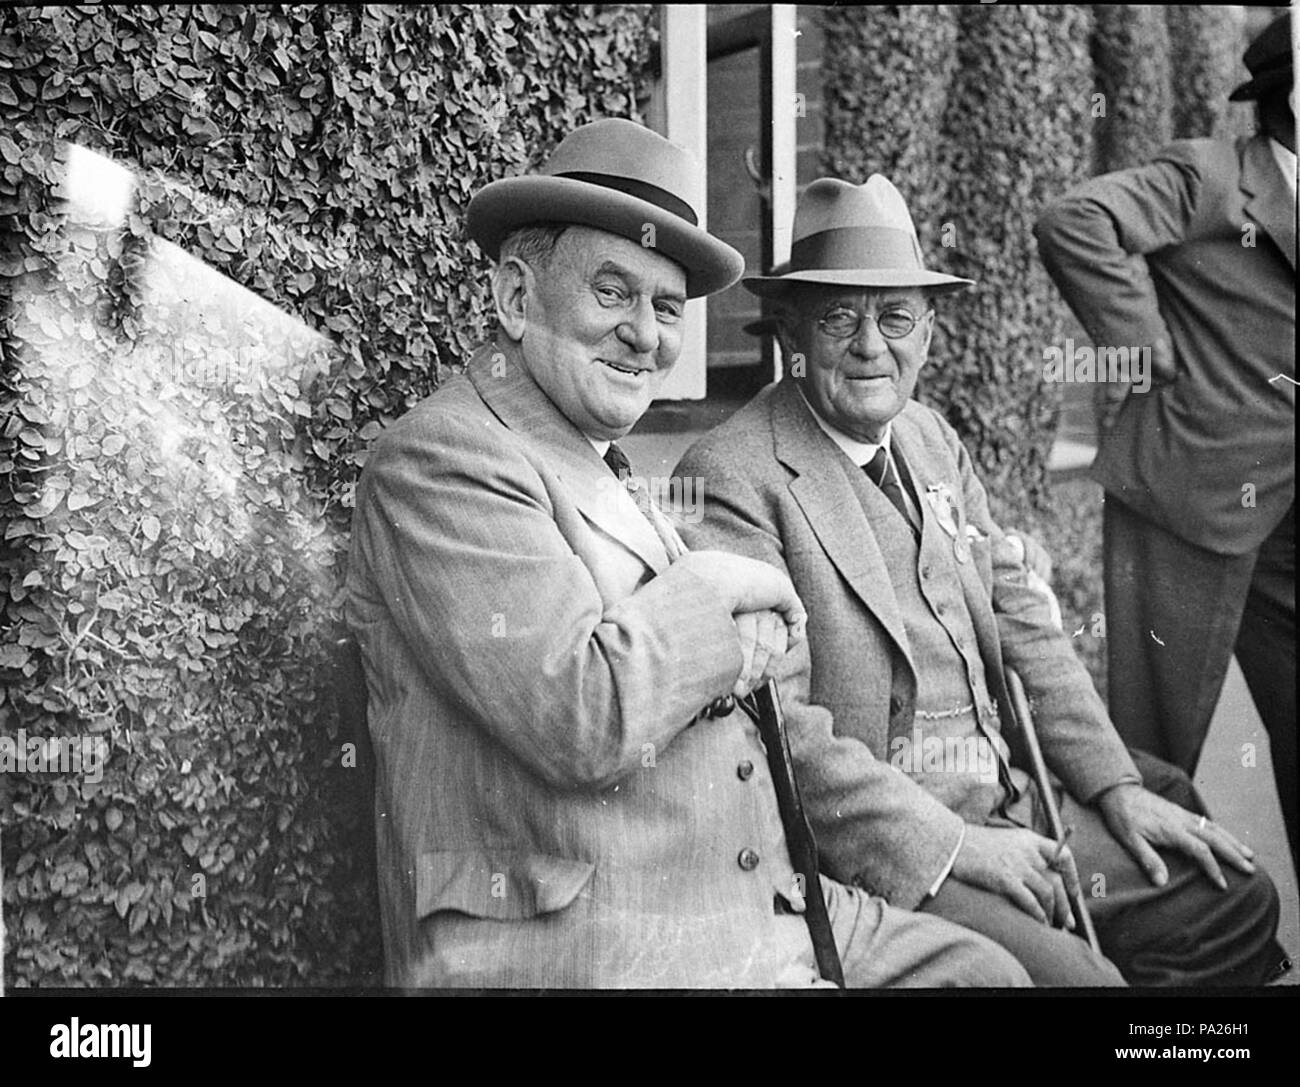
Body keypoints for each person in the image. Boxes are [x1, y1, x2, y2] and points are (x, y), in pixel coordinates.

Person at [344, 118, 1030, 988]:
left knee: (985, 974)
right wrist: (715, 590)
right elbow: (582, 712)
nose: (645, 334)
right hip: (593, 946)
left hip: (740, 907)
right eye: (611, 291)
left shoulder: (583, 450)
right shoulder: (444, 460)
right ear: (517, 298)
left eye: (666, 308)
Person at [676, 172, 1285, 985]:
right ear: (790, 330)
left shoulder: (931, 439)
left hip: (1008, 798)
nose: (870, 346)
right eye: (838, 318)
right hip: (893, 854)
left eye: (896, 317)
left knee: (1233, 897)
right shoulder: (733, 475)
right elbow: (782, 732)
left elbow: (1023, 621)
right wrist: (958, 846)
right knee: (1084, 982)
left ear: (927, 334)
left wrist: (1115, 784)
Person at [1035, 12, 1296, 874]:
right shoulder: (1210, 174)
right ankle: (1169, 937)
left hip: (1288, 512)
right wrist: (1148, 348)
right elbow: (1077, 221)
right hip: (1187, 493)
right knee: (1156, 743)